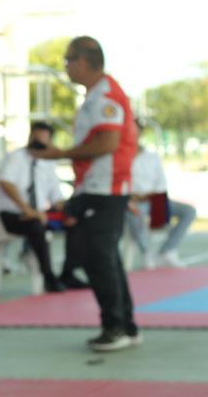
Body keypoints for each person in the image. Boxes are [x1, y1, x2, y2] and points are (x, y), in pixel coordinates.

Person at [31, 36, 140, 352]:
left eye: (68, 60)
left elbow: (108, 143)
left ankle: (116, 325)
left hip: (106, 188)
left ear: (84, 61)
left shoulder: (105, 96)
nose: (65, 66)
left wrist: (61, 153)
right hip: (96, 187)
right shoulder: (96, 95)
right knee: (103, 258)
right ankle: (123, 325)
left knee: (100, 258)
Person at [0, 120, 67, 293]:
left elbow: (56, 195)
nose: (40, 141)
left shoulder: (48, 163)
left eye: (44, 138)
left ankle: (68, 272)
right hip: (8, 214)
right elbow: (6, 182)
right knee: (34, 226)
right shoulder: (16, 157)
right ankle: (48, 276)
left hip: (37, 214)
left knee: (75, 222)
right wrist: (27, 209)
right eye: (37, 136)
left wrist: (66, 209)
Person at [125, 129, 197, 268]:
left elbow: (161, 182)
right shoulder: (121, 156)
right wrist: (131, 197)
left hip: (155, 199)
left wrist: (155, 199)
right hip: (132, 201)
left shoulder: (151, 157)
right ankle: (147, 253)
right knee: (134, 213)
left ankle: (167, 250)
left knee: (188, 212)